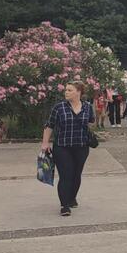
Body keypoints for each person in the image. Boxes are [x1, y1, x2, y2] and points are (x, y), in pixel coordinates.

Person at [41, 82, 95, 216]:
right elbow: (49, 126)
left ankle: (71, 198)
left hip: (81, 147)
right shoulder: (59, 107)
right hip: (62, 147)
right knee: (66, 176)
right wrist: (45, 143)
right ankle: (64, 205)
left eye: (70, 90)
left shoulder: (87, 107)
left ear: (78, 92)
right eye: (66, 90)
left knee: (76, 175)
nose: (66, 92)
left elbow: (91, 122)